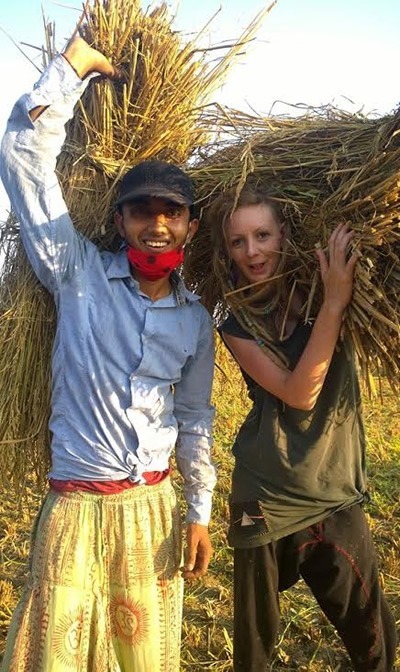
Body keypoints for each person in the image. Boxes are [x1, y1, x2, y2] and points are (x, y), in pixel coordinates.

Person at [0, 37, 216, 672]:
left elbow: (196, 419)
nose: (157, 225)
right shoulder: (77, 275)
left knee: (139, 661)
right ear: (120, 223)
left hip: (153, 511)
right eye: (141, 212)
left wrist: (198, 512)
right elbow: (22, 156)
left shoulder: (196, 321)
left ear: (190, 226)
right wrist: (74, 68)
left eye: (171, 213)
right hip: (75, 507)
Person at [215, 187, 397, 671]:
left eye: (262, 235)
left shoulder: (334, 288)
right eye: (238, 241)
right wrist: (334, 305)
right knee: (255, 646)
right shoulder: (236, 324)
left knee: (373, 637)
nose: (251, 251)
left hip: (332, 487)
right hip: (266, 495)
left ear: (286, 234)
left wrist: (336, 295)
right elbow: (300, 393)